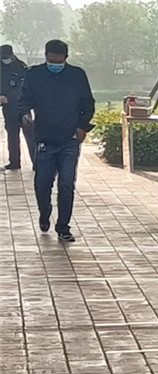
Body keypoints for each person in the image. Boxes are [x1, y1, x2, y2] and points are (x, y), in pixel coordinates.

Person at [17, 39, 95, 243]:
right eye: (52, 61)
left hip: (69, 139)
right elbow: (23, 100)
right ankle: (44, 213)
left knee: (66, 184)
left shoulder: (77, 76)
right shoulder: (34, 75)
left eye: (59, 62)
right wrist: (24, 115)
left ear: (66, 58)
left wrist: (82, 126)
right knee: (42, 185)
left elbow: (88, 104)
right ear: (45, 57)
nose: (55, 65)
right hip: (44, 138)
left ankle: (63, 227)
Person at [1, 44, 33, 170]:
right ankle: (14, 162)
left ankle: (36, 162)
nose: (4, 59)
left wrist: (9, 97)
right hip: (8, 108)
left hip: (22, 107)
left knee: (30, 136)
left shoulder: (21, 67)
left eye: (6, 57)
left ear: (12, 55)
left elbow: (23, 88)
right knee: (12, 135)